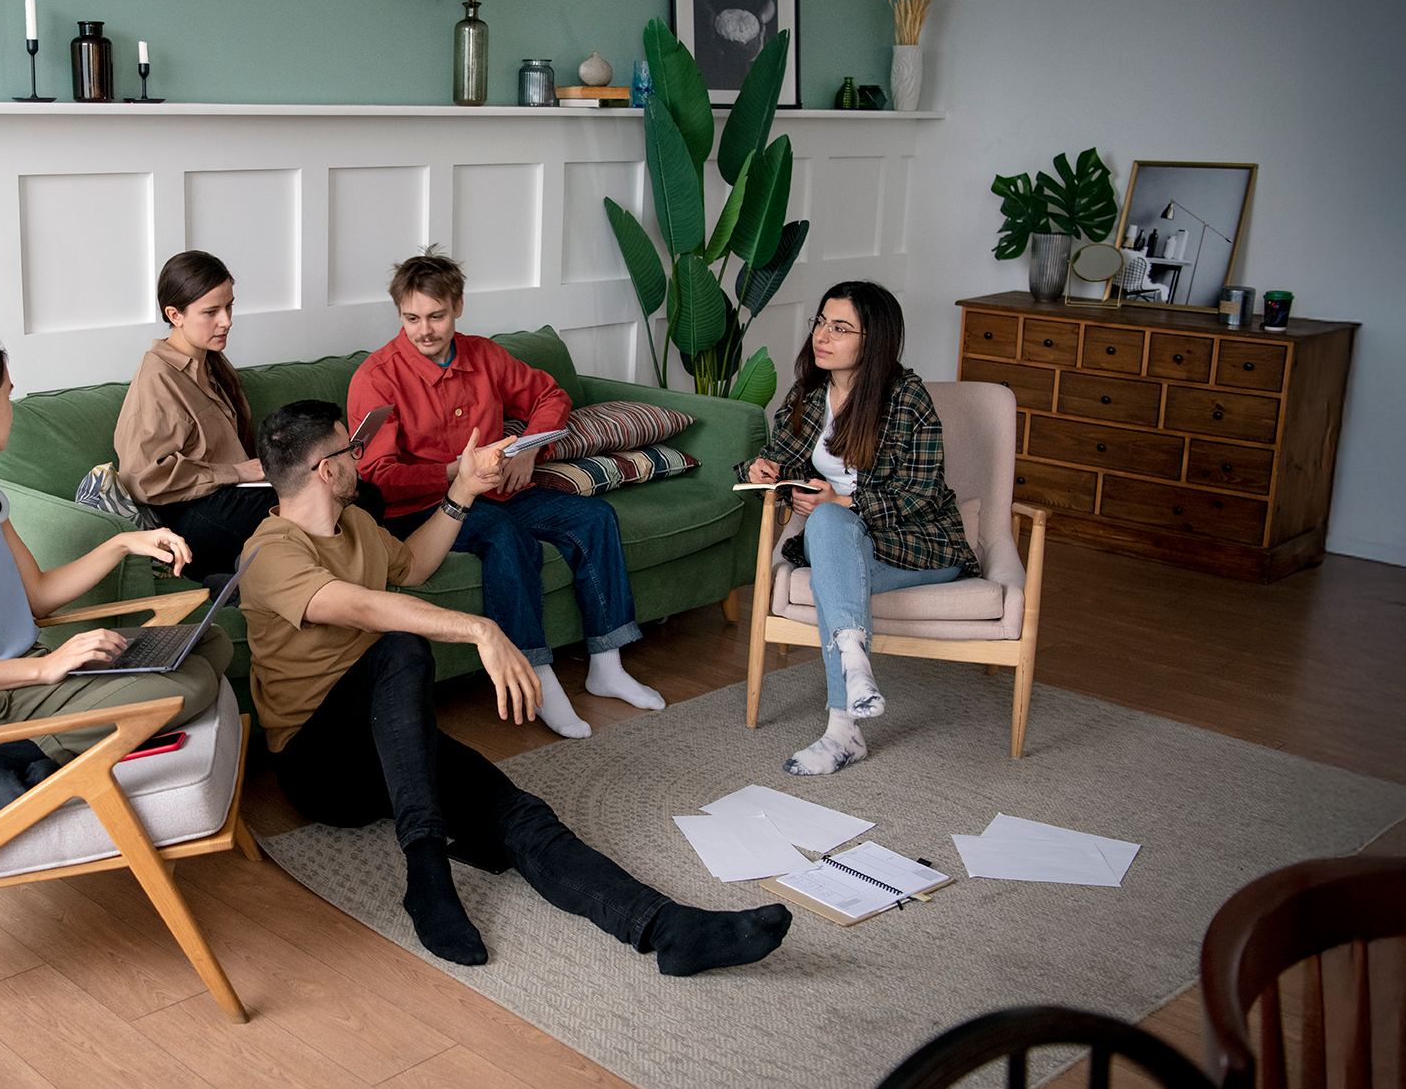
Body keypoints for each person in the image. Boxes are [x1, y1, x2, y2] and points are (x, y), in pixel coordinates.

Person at [239, 398, 792, 974]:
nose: (360, 457)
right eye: (350, 450)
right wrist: (480, 629)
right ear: (326, 470)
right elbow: (356, 607)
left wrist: (463, 493)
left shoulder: (354, 524)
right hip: (319, 765)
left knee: (517, 813)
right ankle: (428, 877)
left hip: (388, 738)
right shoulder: (267, 552)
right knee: (400, 646)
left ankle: (666, 927)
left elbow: (413, 567)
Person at [0, 327, 231, 811]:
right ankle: (1, 756)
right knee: (194, 682)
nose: (12, 409)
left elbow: (37, 594)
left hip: (29, 676)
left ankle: (43, 758)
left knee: (210, 643)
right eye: (7, 396)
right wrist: (45, 668)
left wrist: (124, 542)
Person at [346, 253, 664, 740]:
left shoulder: (485, 356)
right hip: (426, 510)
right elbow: (377, 477)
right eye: (411, 318)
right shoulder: (377, 377)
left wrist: (529, 451)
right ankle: (535, 675)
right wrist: (458, 472)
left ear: (458, 308)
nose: (424, 330)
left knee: (595, 517)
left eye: (436, 316)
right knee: (505, 535)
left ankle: (607, 664)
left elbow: (550, 397)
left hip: (501, 491)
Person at [741, 282, 979, 776]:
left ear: (873, 340)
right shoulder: (809, 394)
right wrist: (757, 469)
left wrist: (842, 499)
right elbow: (780, 458)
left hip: (917, 547)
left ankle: (844, 725)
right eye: (820, 323)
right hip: (842, 546)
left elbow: (923, 494)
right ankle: (852, 675)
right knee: (827, 523)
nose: (822, 337)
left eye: (840, 327)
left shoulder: (908, 398)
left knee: (830, 526)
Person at [115, 250, 382, 581]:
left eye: (228, 306)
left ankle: (295, 578)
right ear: (175, 314)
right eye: (211, 312)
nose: (226, 321)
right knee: (356, 501)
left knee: (362, 494)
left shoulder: (211, 363)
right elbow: (143, 479)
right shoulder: (158, 378)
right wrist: (234, 471)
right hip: (194, 516)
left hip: (237, 494)